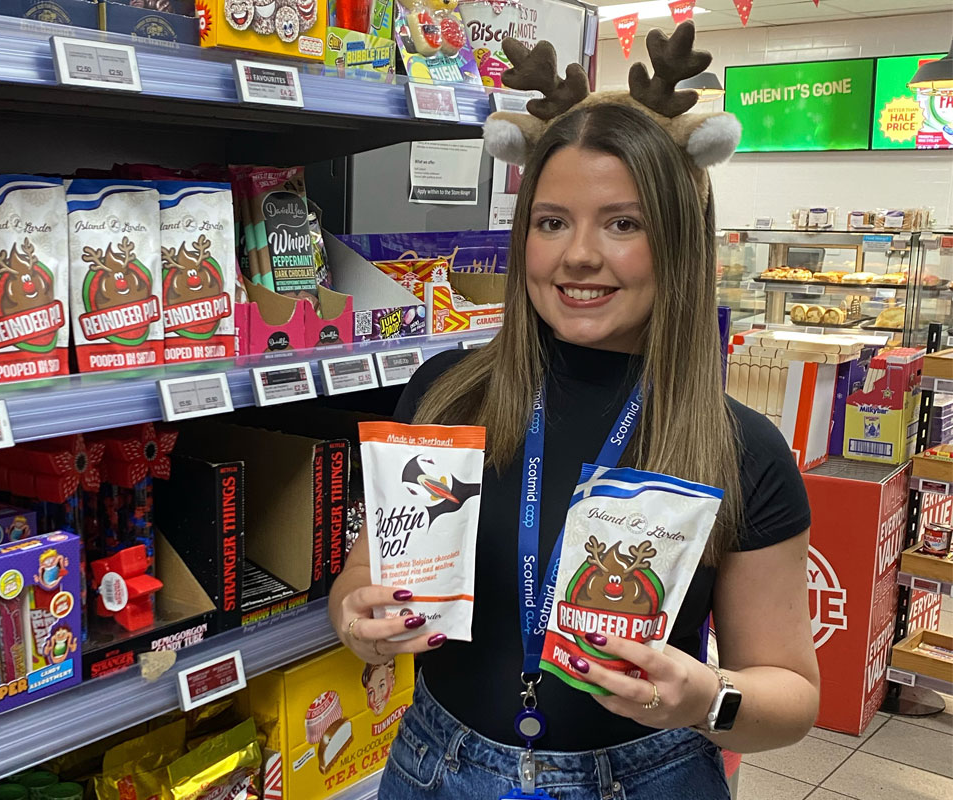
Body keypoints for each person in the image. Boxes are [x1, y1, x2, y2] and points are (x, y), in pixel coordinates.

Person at [328, 23, 819, 800]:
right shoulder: (448, 393)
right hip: (435, 765)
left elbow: (790, 696)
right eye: (552, 222)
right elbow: (365, 574)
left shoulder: (739, 447)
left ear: (682, 241)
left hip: (645, 775)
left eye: (623, 224)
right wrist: (356, 616)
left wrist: (704, 698)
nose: (577, 255)